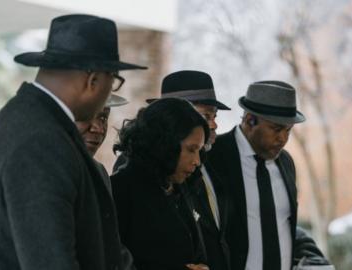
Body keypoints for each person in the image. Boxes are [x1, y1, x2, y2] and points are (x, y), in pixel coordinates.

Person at [0, 14, 146, 270]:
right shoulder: (43, 142)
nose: (109, 94)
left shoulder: (10, 121)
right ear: (93, 80)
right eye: (113, 82)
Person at [207, 81, 329, 270]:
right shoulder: (213, 157)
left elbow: (285, 226)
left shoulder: (286, 162)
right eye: (276, 129)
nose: (283, 139)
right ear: (249, 120)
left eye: (288, 130)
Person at [143, 70, 232, 270]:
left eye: (214, 116)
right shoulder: (140, 167)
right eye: (205, 116)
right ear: (177, 118)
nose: (214, 124)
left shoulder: (211, 161)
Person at [111, 98, 210, 270]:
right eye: (191, 150)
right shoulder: (120, 189)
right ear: (165, 143)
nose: (197, 161)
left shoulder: (178, 188)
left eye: (200, 151)